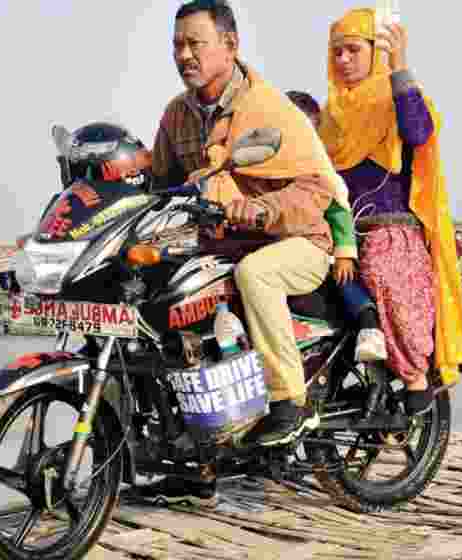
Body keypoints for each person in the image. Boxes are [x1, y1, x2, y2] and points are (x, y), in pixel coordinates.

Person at [138, 0, 347, 507]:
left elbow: (316, 187)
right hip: (220, 245)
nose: (184, 55)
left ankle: (288, 401)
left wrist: (259, 209)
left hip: (296, 242)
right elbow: (160, 182)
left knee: (258, 273)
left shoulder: (270, 109)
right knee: (164, 303)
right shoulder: (177, 115)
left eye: (195, 43)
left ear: (230, 45)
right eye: (177, 45)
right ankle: (197, 459)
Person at [316, 7, 462, 416]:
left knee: (381, 266)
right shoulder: (331, 114)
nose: (343, 60)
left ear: (376, 52)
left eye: (353, 50)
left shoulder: (394, 98)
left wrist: (400, 67)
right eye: (336, 52)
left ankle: (416, 375)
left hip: (389, 230)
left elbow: (420, 132)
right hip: (338, 230)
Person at [286, 89, 388, 363]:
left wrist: (344, 253)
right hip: (287, 244)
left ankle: (368, 324)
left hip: (323, 242)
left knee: (342, 277)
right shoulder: (271, 165)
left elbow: (338, 209)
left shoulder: (318, 169)